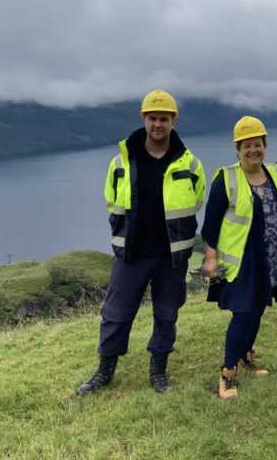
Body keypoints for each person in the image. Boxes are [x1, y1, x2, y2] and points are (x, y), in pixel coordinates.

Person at [76, 89, 205, 395]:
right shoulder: (122, 162)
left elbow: (196, 200)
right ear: (144, 120)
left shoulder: (189, 163)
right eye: (152, 118)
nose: (157, 124)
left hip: (171, 255)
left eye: (164, 118)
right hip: (131, 253)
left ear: (173, 121)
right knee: (115, 314)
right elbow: (111, 199)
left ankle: (159, 371)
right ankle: (104, 371)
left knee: (166, 313)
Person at [201, 116, 277, 400]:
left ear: (265, 145)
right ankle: (226, 374)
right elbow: (211, 223)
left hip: (270, 257)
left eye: (258, 144)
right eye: (247, 145)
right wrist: (210, 258)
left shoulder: (274, 173)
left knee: (260, 308)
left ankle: (245, 359)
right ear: (237, 149)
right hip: (242, 259)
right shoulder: (226, 178)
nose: (254, 150)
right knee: (244, 313)